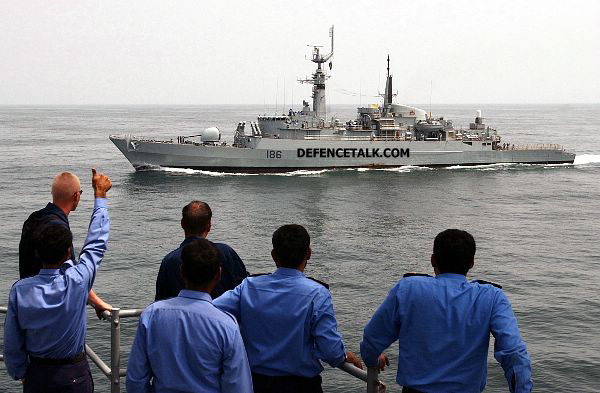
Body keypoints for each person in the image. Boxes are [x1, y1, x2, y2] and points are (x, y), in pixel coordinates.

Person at [360, 229, 533, 393]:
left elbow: (372, 339)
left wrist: (373, 359)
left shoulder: (408, 289)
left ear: (433, 260)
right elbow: (514, 353)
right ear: (471, 263)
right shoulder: (492, 297)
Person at [214, 224, 363, 393]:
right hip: (301, 385)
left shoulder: (248, 287)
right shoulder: (318, 294)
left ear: (273, 255)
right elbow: (330, 350)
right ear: (308, 254)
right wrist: (344, 356)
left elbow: (211, 311)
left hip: (254, 382)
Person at [4, 168, 112, 393]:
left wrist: (22, 373)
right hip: (73, 376)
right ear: (67, 253)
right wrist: (100, 196)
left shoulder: (19, 291)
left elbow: (13, 345)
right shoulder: (77, 280)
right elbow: (96, 244)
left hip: (37, 375)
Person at [127, 238, 253, 393]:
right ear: (218, 275)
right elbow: (237, 386)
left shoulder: (151, 315)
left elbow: (136, 380)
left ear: (182, 272)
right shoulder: (227, 325)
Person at [19, 171, 112, 318]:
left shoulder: (33, 220)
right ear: (76, 196)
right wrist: (100, 194)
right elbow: (74, 273)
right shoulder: (58, 229)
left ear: (52, 193)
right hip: (55, 310)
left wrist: (94, 300)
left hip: (29, 305)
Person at [155, 200, 248, 300]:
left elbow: (161, 298)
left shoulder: (169, 261)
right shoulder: (226, 253)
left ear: (182, 224)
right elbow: (244, 288)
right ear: (209, 226)